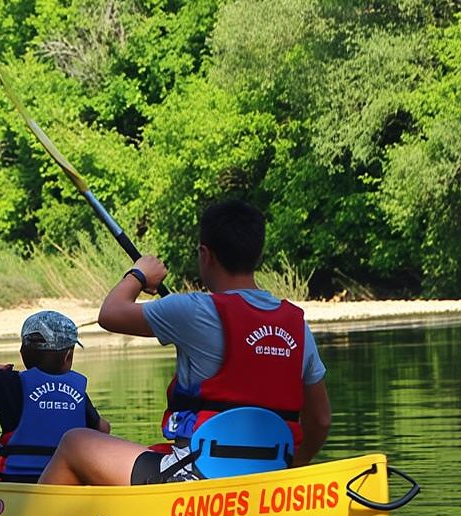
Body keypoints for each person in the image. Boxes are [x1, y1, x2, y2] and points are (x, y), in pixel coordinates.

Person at [38, 198, 331, 486]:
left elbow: (111, 314)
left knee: (75, 443)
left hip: (197, 478)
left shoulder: (194, 310)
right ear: (257, 253)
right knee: (152, 451)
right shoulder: (296, 325)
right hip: (271, 476)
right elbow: (320, 421)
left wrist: (139, 274)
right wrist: (291, 472)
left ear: (206, 255)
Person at [0, 311, 111, 483]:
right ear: (68, 356)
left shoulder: (8, 384)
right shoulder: (76, 392)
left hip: (13, 480)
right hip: (63, 481)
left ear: (22, 352)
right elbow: (103, 429)